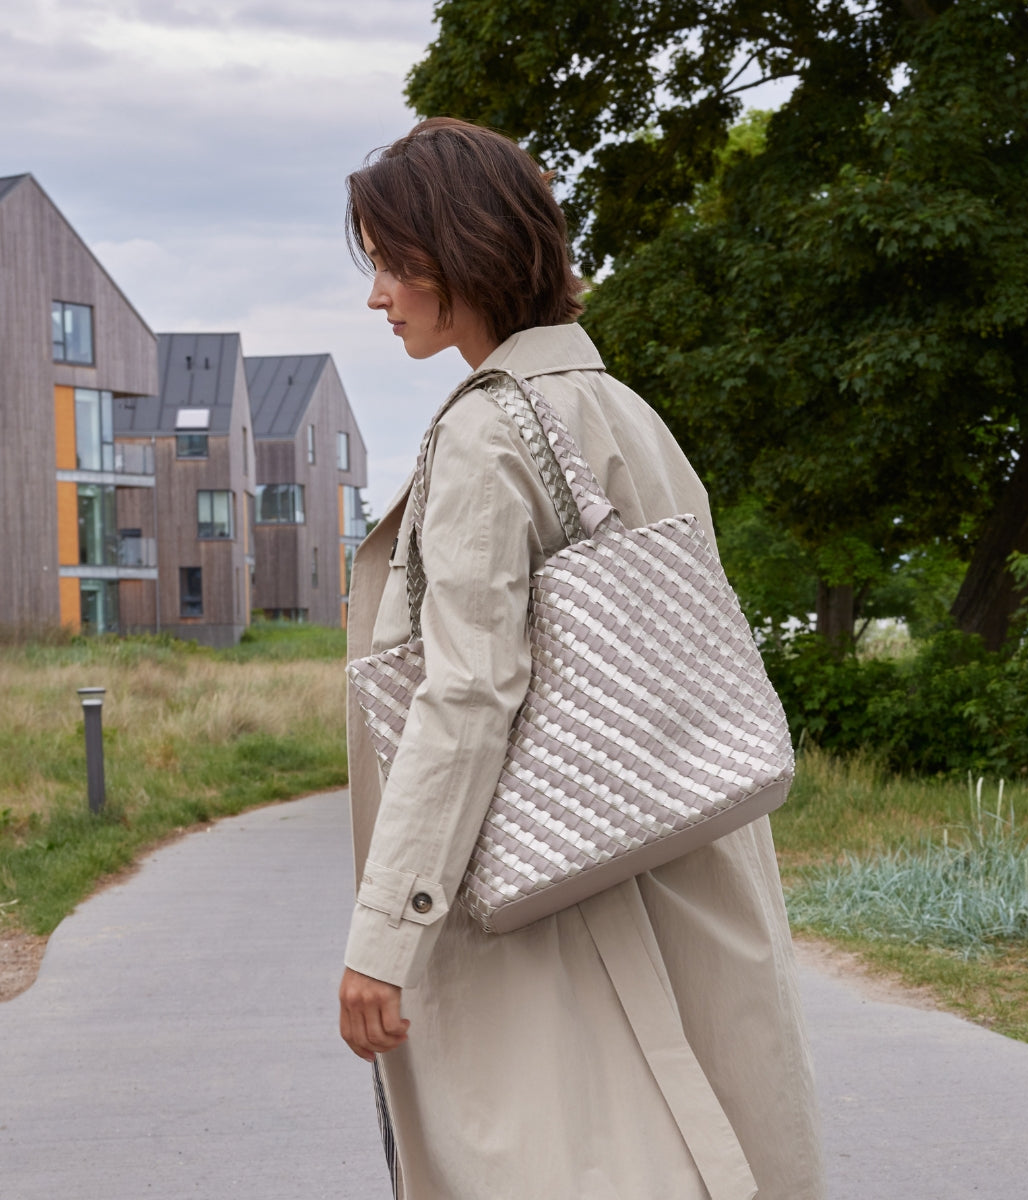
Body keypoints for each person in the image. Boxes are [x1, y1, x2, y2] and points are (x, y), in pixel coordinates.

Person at [337, 116, 825, 1200]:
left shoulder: (486, 433)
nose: (378, 296)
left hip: (554, 891)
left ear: (461, 251)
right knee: (709, 1143)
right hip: (676, 848)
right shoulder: (622, 409)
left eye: (392, 262)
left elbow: (468, 694)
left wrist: (385, 935)